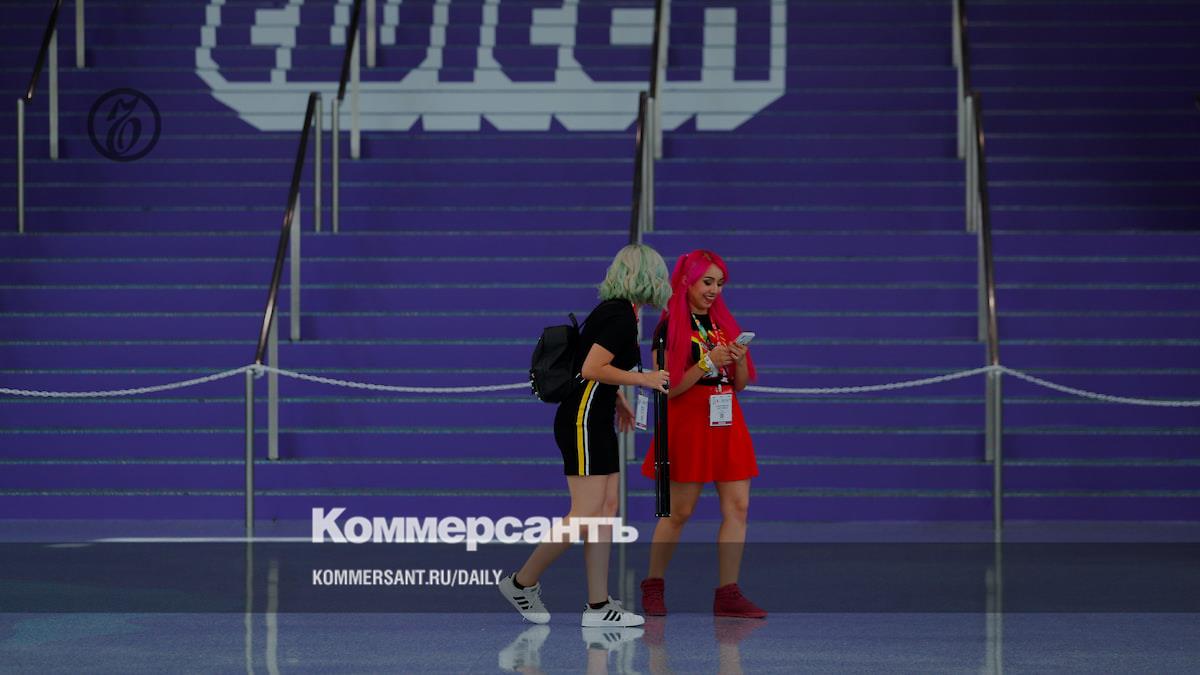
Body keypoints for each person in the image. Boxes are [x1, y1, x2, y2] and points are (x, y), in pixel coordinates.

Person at [499, 243, 672, 627]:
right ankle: (521, 583)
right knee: (585, 512)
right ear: (648, 277)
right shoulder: (619, 316)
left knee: (605, 509)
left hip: (597, 417)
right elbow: (593, 368)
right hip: (582, 420)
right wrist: (643, 379)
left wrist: (620, 399)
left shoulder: (619, 312)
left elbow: (590, 366)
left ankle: (598, 605)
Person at [639, 249, 766, 618]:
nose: (714, 290)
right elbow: (666, 388)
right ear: (686, 281)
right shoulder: (667, 329)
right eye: (707, 282)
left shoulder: (722, 324)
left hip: (727, 421)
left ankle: (728, 592)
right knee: (679, 512)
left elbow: (740, 384)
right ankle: (653, 585)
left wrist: (737, 360)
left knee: (738, 507)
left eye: (720, 283)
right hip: (688, 422)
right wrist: (706, 363)